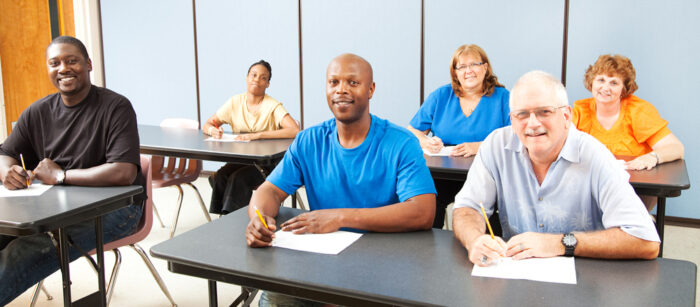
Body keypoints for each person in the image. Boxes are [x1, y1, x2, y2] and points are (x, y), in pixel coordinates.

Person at [246, 53, 436, 306]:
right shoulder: (308, 141)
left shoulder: (401, 143)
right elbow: (268, 191)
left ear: (371, 89)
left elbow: (423, 212)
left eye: (353, 83)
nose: (341, 90)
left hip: (384, 264)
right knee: (274, 299)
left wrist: (340, 217)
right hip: (322, 261)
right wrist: (260, 220)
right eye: (333, 82)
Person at [452, 71, 660, 268]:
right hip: (516, 272)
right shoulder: (496, 145)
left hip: (586, 278)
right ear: (512, 120)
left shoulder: (595, 156)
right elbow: (467, 208)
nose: (532, 124)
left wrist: (560, 243)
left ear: (567, 116)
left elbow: (646, 240)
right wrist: (475, 240)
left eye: (544, 112)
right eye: (522, 114)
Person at [0, 36, 146, 304]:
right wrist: (6, 172)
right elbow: (4, 153)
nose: (63, 68)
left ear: (88, 64)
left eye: (71, 61)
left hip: (116, 209)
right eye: (54, 63)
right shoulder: (38, 111)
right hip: (55, 207)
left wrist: (62, 176)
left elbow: (124, 172)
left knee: (23, 251)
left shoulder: (116, 107)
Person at [407, 44, 510, 229]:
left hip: (487, 173)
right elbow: (411, 131)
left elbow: (515, 136)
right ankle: (429, 249)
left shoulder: (503, 97)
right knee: (428, 199)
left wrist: (478, 146)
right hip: (444, 173)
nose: (468, 71)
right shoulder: (441, 95)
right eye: (461, 67)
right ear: (455, 72)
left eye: (474, 65)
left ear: (485, 68)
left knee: (488, 215)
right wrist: (427, 141)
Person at [572, 54, 684, 210]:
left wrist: (653, 157)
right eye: (601, 80)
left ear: (624, 88)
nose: (605, 87)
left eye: (614, 83)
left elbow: (675, 147)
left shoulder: (638, 110)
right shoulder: (580, 110)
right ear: (591, 82)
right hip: (594, 186)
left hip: (635, 190)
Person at [202, 60, 300, 215]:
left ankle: (234, 221)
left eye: (263, 77)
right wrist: (212, 130)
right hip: (241, 160)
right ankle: (223, 219)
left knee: (237, 179)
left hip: (267, 165)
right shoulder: (234, 102)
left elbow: (295, 130)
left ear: (268, 84)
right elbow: (207, 124)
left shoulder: (272, 106)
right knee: (220, 176)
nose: (256, 79)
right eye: (253, 75)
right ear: (247, 78)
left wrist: (258, 135)